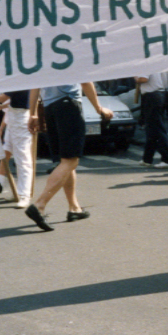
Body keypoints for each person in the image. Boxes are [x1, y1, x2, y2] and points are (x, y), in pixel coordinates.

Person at [24, 83, 112, 231]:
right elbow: (86, 81)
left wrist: (33, 114)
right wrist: (99, 108)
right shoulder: (73, 58)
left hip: (49, 107)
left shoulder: (43, 59)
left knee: (65, 161)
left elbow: (35, 84)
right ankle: (39, 205)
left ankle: (74, 208)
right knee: (71, 160)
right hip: (68, 104)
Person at [0, 89, 34, 208]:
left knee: (22, 158)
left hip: (21, 116)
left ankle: (24, 195)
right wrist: (2, 106)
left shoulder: (20, 78)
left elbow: (2, 97)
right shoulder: (21, 76)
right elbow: (8, 99)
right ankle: (18, 192)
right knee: (8, 150)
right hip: (14, 114)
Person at [136, 71, 168, 168]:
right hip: (162, 94)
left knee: (157, 128)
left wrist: (135, 77)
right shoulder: (162, 61)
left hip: (151, 96)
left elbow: (143, 78)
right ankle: (147, 158)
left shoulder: (147, 62)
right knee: (152, 128)